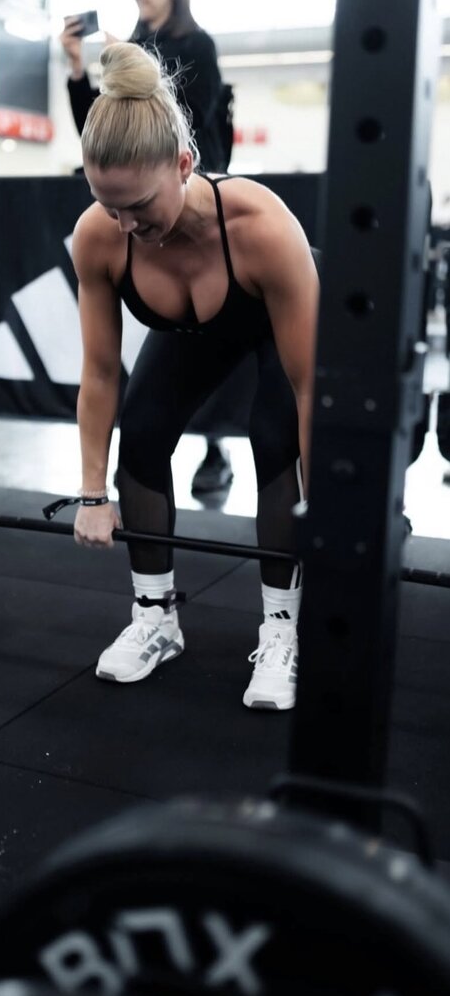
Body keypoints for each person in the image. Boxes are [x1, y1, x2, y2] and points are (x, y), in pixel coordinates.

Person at [70, 43, 319, 711]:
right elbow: (100, 374)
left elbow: (307, 390)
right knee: (142, 430)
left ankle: (283, 629)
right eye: (108, 206)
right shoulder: (100, 237)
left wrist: (323, 511)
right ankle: (155, 617)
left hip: (270, 313)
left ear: (183, 164)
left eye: (138, 206)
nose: (126, 226)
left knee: (275, 438)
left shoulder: (262, 229)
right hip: (195, 329)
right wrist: (91, 492)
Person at [61, 0, 235, 493]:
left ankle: (216, 447)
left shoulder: (197, 45)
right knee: (157, 395)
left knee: (223, 330)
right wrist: (80, 70)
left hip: (197, 196)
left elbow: (190, 121)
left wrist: (143, 74)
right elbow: (101, 134)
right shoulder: (133, 44)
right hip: (153, 189)